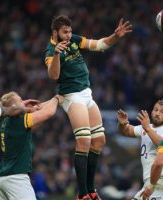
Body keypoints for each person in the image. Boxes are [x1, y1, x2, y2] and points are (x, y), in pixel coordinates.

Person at [44, 14, 132, 200]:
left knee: (99, 141)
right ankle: (82, 194)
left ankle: (91, 190)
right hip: (71, 96)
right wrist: (57, 54)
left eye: (70, 31)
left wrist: (116, 36)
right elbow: (53, 75)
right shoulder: (51, 49)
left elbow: (99, 45)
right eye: (64, 32)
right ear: (55, 32)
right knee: (84, 142)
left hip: (86, 94)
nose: (68, 35)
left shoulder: (74, 40)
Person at [0, 91, 63, 200]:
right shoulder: (18, 121)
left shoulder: (4, 120)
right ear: (14, 107)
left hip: (2, 178)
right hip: (15, 178)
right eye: (20, 100)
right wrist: (57, 99)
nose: (23, 102)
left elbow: (38, 109)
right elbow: (48, 113)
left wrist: (55, 99)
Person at [118, 100, 163, 200]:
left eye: (162, 111)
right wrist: (122, 124)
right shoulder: (146, 127)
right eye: (156, 109)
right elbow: (127, 131)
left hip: (161, 183)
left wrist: (147, 128)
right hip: (149, 183)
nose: (157, 113)